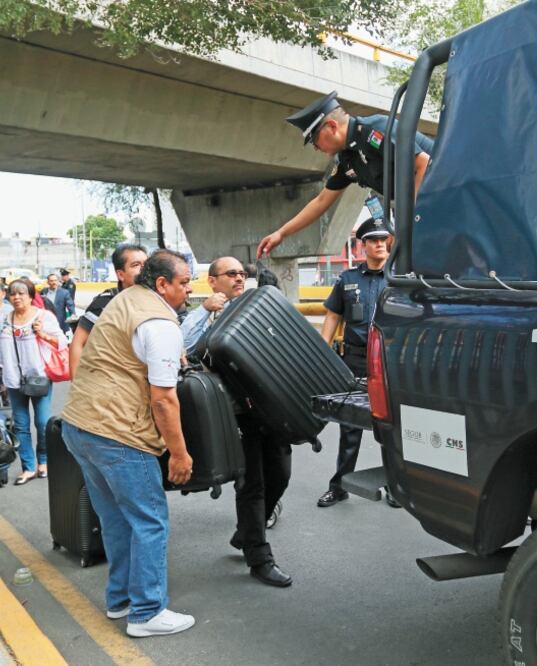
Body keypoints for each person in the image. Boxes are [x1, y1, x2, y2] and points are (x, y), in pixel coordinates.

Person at [62, 249, 196, 638]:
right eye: (184, 283)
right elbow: (163, 399)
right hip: (119, 435)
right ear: (162, 284)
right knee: (150, 521)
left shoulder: (123, 301)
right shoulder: (160, 323)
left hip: (80, 426)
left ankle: (120, 600)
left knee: (116, 519)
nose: (189, 290)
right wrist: (180, 453)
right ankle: (147, 612)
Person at [182, 257, 293, 587]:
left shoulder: (255, 308)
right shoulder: (203, 314)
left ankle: (246, 533)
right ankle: (259, 557)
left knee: (281, 474)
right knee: (252, 484)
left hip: (269, 408)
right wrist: (205, 310)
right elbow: (185, 347)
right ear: (212, 281)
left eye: (242, 274)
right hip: (234, 412)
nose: (239, 278)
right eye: (231, 274)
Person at [257, 90, 434, 258]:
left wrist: (407, 224)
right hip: (429, 206)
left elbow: (423, 163)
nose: (317, 149)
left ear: (332, 126)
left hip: (446, 188)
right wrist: (282, 233)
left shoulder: (373, 130)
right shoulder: (347, 159)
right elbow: (321, 201)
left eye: (315, 141)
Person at [317, 218, 401, 509]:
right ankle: (339, 485)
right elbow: (332, 316)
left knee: (391, 426)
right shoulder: (348, 279)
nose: (380, 244)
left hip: (390, 361)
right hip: (354, 358)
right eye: (374, 240)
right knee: (349, 424)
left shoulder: (399, 278)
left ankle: (395, 486)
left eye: (384, 239)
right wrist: (323, 354)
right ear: (362, 245)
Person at [0, 278, 65, 485]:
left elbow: (62, 342)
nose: (16, 297)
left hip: (39, 378)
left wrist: (42, 334)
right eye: (13, 294)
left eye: (21, 293)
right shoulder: (5, 318)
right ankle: (28, 467)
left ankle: (44, 462)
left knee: (43, 422)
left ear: (30, 296)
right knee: (21, 425)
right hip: (13, 380)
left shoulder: (43, 316)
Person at [69, 243, 147, 377]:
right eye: (136, 265)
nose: (143, 270)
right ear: (121, 274)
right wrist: (78, 386)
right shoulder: (106, 303)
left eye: (146, 265)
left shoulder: (155, 300)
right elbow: (78, 344)